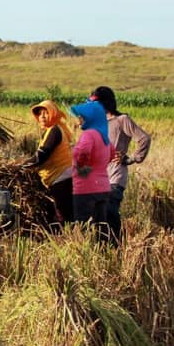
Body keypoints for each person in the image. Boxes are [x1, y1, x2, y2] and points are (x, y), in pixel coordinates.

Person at [90, 86, 151, 236]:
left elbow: (144, 138)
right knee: (97, 216)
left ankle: (118, 242)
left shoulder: (122, 120)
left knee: (109, 209)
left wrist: (131, 159)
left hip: (115, 176)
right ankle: (104, 248)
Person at [22, 100, 74, 226]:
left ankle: (68, 240)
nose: (42, 116)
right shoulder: (53, 129)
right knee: (63, 213)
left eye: (46, 113)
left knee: (64, 216)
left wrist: (22, 165)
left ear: (53, 114)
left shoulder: (54, 131)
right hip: (59, 177)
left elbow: (42, 155)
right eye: (40, 114)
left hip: (60, 178)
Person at [70, 100, 113, 242]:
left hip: (85, 189)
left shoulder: (88, 134)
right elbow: (112, 154)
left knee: (83, 227)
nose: (79, 120)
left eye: (82, 116)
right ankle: (103, 254)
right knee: (101, 226)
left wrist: (81, 166)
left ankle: (85, 258)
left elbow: (82, 152)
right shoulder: (104, 136)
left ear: (90, 118)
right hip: (103, 187)